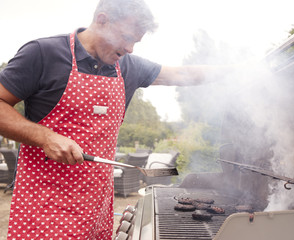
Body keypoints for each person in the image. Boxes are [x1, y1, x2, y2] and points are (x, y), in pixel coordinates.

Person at [0, 0, 235, 239]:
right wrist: (45, 136)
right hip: (45, 209)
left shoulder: (128, 66)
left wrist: (239, 71)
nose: (130, 48)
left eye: (136, 41)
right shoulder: (43, 53)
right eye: (126, 37)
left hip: (96, 209)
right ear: (102, 20)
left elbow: (180, 74)